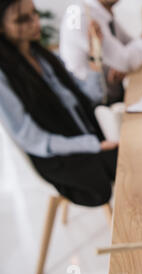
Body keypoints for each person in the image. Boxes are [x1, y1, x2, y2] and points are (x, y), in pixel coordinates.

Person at [0, 0, 119, 207]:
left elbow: (90, 97)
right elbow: (32, 139)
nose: (35, 22)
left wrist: (94, 54)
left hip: (83, 135)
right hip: (57, 156)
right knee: (108, 177)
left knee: (132, 159)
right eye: (22, 19)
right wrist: (92, 145)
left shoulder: (47, 58)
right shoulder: (5, 77)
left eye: (34, 14)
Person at [59, 0, 142, 104]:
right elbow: (126, 61)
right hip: (95, 102)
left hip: (113, 92)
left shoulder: (104, 14)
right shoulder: (80, 15)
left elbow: (129, 45)